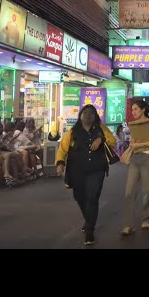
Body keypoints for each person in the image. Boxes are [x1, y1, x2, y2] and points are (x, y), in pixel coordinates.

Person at [56, 105, 116, 246]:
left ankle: (90, 231)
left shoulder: (100, 128)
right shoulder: (73, 131)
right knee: (80, 197)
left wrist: (101, 139)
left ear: (95, 116)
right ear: (80, 115)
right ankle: (89, 220)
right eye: (85, 113)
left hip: (97, 169)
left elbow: (113, 141)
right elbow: (63, 149)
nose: (88, 115)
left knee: (93, 197)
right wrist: (60, 163)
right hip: (77, 171)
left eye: (91, 113)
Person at [121, 100, 149, 236]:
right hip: (135, 158)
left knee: (146, 190)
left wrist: (140, 145)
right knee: (129, 192)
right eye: (132, 109)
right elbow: (134, 142)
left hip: (148, 158)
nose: (133, 112)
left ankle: (145, 219)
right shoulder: (133, 125)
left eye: (135, 109)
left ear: (143, 110)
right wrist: (134, 143)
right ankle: (127, 224)